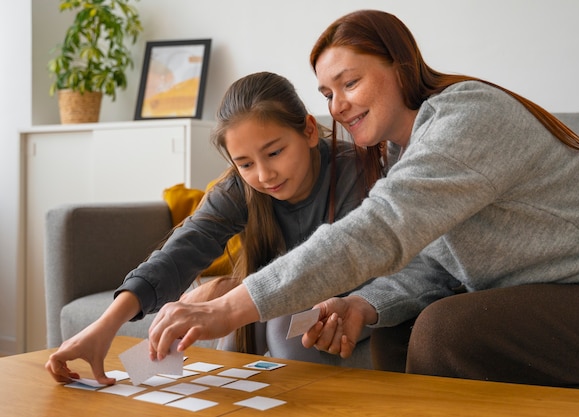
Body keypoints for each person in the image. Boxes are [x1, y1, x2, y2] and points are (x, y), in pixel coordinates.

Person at [142, 9, 579, 388]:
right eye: (328, 92)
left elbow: (380, 229)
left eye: (350, 82)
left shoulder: (469, 117)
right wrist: (364, 305)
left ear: (401, 67)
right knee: (401, 327)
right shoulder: (399, 152)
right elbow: (438, 267)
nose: (338, 105)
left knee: (443, 331)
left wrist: (228, 307)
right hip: (548, 292)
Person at [45, 71, 378, 384]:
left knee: (275, 318)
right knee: (227, 310)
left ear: (308, 130)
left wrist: (226, 295)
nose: (264, 175)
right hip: (277, 304)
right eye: (245, 163)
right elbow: (181, 251)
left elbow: (338, 265)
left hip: (353, 303)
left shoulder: (355, 171)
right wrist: (105, 325)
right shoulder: (242, 188)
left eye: (274, 152)